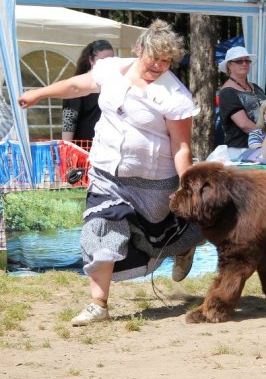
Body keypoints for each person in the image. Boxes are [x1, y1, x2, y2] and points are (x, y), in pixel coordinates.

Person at [18, 19, 204, 326]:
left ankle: (184, 244)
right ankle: (98, 305)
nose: (158, 64)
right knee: (100, 227)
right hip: (106, 172)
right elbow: (78, 85)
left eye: (166, 60)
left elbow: (181, 147)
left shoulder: (176, 96)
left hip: (154, 180)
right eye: (153, 57)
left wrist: (186, 185)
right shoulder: (112, 69)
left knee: (161, 232)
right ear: (139, 49)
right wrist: (39, 93)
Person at [61, 40, 115, 144]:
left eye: (112, 60)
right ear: (91, 60)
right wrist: (66, 150)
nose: (109, 64)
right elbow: (69, 121)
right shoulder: (78, 84)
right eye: (103, 60)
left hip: (108, 148)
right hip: (83, 148)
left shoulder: (115, 85)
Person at [218, 46, 266, 151]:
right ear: (229, 65)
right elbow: (244, 124)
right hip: (241, 150)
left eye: (247, 61)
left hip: (262, 146)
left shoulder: (256, 87)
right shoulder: (227, 92)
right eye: (239, 61)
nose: (244, 64)